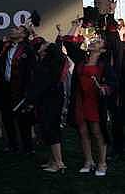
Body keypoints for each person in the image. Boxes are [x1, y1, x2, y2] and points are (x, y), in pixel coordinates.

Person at [0, 11, 36, 154]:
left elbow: (31, 73)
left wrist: (28, 93)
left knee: (23, 120)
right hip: (5, 88)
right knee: (7, 118)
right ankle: (12, 145)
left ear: (23, 35)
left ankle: (27, 147)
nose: (13, 29)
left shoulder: (28, 50)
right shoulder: (6, 46)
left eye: (18, 29)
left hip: (20, 90)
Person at [64, 32, 115, 176]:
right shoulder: (81, 59)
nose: (94, 42)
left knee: (97, 132)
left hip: (95, 102)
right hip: (81, 100)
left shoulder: (104, 65)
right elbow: (68, 43)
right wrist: (75, 27)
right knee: (83, 132)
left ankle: (102, 163)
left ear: (103, 50)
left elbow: (112, 83)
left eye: (98, 42)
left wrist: (105, 89)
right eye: (94, 41)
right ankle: (88, 161)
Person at [28, 42, 70, 173]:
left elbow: (41, 85)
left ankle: (58, 162)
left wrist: (31, 98)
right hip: (50, 100)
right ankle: (53, 160)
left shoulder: (47, 66)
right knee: (49, 129)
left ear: (46, 51)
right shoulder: (49, 63)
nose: (39, 46)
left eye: (42, 46)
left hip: (50, 101)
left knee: (51, 129)